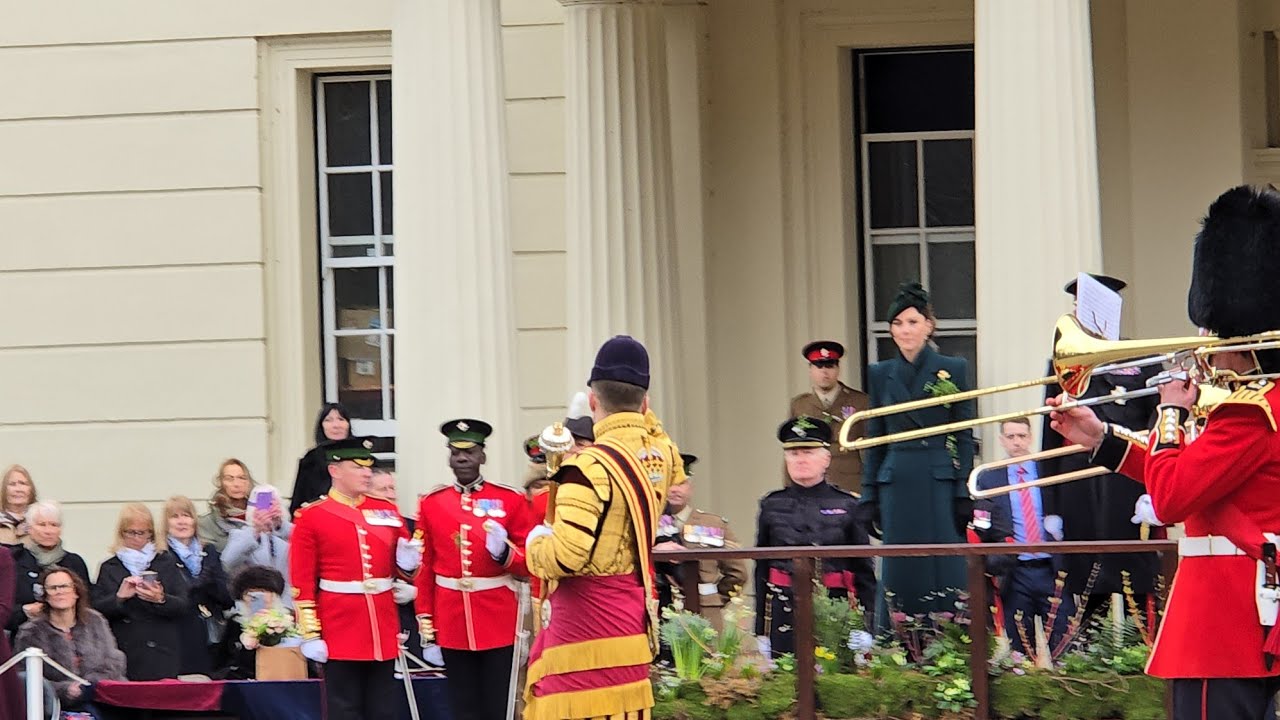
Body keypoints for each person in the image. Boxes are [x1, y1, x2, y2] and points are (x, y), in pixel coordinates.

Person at [1047, 185, 1280, 719]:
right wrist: (1101, 439)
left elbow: (1174, 496)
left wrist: (1171, 408)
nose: (1201, 335)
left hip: (1220, 627)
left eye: (1211, 326)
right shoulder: (1256, 404)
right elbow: (1192, 475)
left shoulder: (1247, 412)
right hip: (1247, 621)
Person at [523, 335, 685, 720]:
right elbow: (658, 435)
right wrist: (640, 410)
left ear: (593, 401)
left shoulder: (585, 467)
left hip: (583, 630)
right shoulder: (660, 456)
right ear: (645, 402)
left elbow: (567, 556)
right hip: (629, 622)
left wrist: (535, 544)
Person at [1040, 274, 1161, 620]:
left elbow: (1156, 420)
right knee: (1084, 580)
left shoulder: (1143, 357)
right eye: (1076, 306)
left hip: (1129, 479)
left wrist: (1154, 485)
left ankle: (1142, 647)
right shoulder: (1062, 363)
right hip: (1079, 482)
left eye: (1085, 305)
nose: (1079, 312)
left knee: (1136, 576)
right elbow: (1049, 437)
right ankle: (1085, 655)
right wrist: (1051, 505)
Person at [861, 281, 975, 630]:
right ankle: (896, 641)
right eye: (897, 323)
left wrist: (962, 490)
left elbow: (963, 432)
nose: (905, 330)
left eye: (912, 322)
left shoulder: (952, 368)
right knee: (900, 567)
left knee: (944, 565)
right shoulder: (880, 373)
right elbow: (875, 435)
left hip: (937, 476)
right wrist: (869, 495)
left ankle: (952, 638)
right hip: (897, 478)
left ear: (929, 325)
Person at [289, 435, 422, 720]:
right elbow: (302, 582)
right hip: (340, 625)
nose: (366, 473)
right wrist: (311, 633)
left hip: (382, 626)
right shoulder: (312, 516)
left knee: (384, 708)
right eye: (358, 467)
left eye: (368, 467)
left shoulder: (385, 510)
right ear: (335, 470)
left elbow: (403, 567)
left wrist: (408, 564)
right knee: (344, 707)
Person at [413, 419, 534, 720]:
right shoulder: (432, 503)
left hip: (498, 619)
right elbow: (425, 569)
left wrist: (504, 553)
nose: (462, 458)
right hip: (452, 621)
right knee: (462, 706)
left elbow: (529, 560)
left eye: (470, 452)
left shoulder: (510, 499)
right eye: (455, 452)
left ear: (483, 456)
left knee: (499, 706)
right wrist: (428, 631)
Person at [754, 418, 876, 659]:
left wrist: (866, 624)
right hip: (784, 606)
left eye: (808, 452)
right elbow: (762, 568)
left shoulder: (848, 504)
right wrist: (761, 630)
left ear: (826, 459)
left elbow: (864, 571)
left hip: (834, 605)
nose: (800, 459)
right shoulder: (772, 504)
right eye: (793, 453)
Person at [971, 418, 1073, 654]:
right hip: (1014, 571)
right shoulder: (989, 478)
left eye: (1022, 436)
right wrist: (990, 564)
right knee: (1019, 645)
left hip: (1050, 568)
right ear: (1002, 440)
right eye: (1011, 437)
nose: (1017, 442)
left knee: (1064, 639)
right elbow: (982, 525)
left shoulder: (1046, 470)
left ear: (1030, 437)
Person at [90, 503, 190, 680]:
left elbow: (183, 605)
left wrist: (160, 599)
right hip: (126, 647)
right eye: (130, 532)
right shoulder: (110, 566)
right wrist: (119, 598)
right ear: (121, 533)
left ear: (151, 533)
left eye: (142, 532)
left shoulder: (165, 562)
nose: (136, 538)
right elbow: (96, 609)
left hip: (162, 648)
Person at [654, 453, 748, 632]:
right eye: (669, 483)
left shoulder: (713, 523)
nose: (674, 489)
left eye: (681, 483)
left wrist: (714, 601)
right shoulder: (645, 523)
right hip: (660, 611)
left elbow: (738, 573)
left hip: (705, 614)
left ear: (691, 487)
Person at [15, 567, 126, 713]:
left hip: (102, 698)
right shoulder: (30, 632)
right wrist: (65, 690)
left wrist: (90, 685)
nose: (59, 591)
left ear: (76, 592)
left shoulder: (96, 620)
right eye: (53, 588)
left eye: (64, 586)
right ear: (45, 595)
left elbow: (114, 661)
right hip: (56, 706)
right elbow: (27, 677)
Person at [160, 495, 233, 676]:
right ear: (166, 523)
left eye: (186, 515)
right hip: (179, 636)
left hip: (211, 635)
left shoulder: (209, 552)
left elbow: (226, 597)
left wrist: (207, 582)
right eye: (175, 516)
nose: (182, 521)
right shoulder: (162, 556)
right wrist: (197, 584)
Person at [788, 341, 870, 493]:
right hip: (811, 483)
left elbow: (872, 449)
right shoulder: (800, 404)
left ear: (838, 369)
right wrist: (789, 488)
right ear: (810, 369)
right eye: (819, 366)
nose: (824, 372)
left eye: (830, 366)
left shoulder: (860, 401)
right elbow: (792, 448)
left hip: (850, 483)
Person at [9, 502, 92, 634]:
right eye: (42, 525)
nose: (48, 531)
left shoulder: (74, 562)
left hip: (70, 639)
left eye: (54, 525)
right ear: (29, 528)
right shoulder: (15, 561)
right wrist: (25, 611)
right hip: (26, 640)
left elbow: (88, 604)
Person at [368, 463, 422, 658]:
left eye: (392, 489)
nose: (391, 495)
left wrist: (418, 592)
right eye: (383, 489)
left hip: (411, 621)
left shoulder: (413, 527)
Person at [212, 565, 291, 680]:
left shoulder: (288, 622)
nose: (256, 597)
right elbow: (221, 661)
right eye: (250, 593)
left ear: (274, 594)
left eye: (263, 591)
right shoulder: (235, 623)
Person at [201, 458, 290, 557]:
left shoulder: (259, 512)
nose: (236, 484)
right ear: (220, 482)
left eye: (242, 478)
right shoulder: (207, 523)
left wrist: (278, 524)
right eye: (229, 479)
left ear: (249, 482)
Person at [288, 402, 354, 515]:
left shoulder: (362, 456)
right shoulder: (311, 458)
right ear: (321, 426)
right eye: (329, 420)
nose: (336, 425)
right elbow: (299, 498)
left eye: (341, 419)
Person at [0, 465, 37, 546]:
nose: (18, 489)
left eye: (23, 483)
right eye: (12, 484)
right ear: (3, 489)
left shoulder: (40, 521)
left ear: (31, 489)